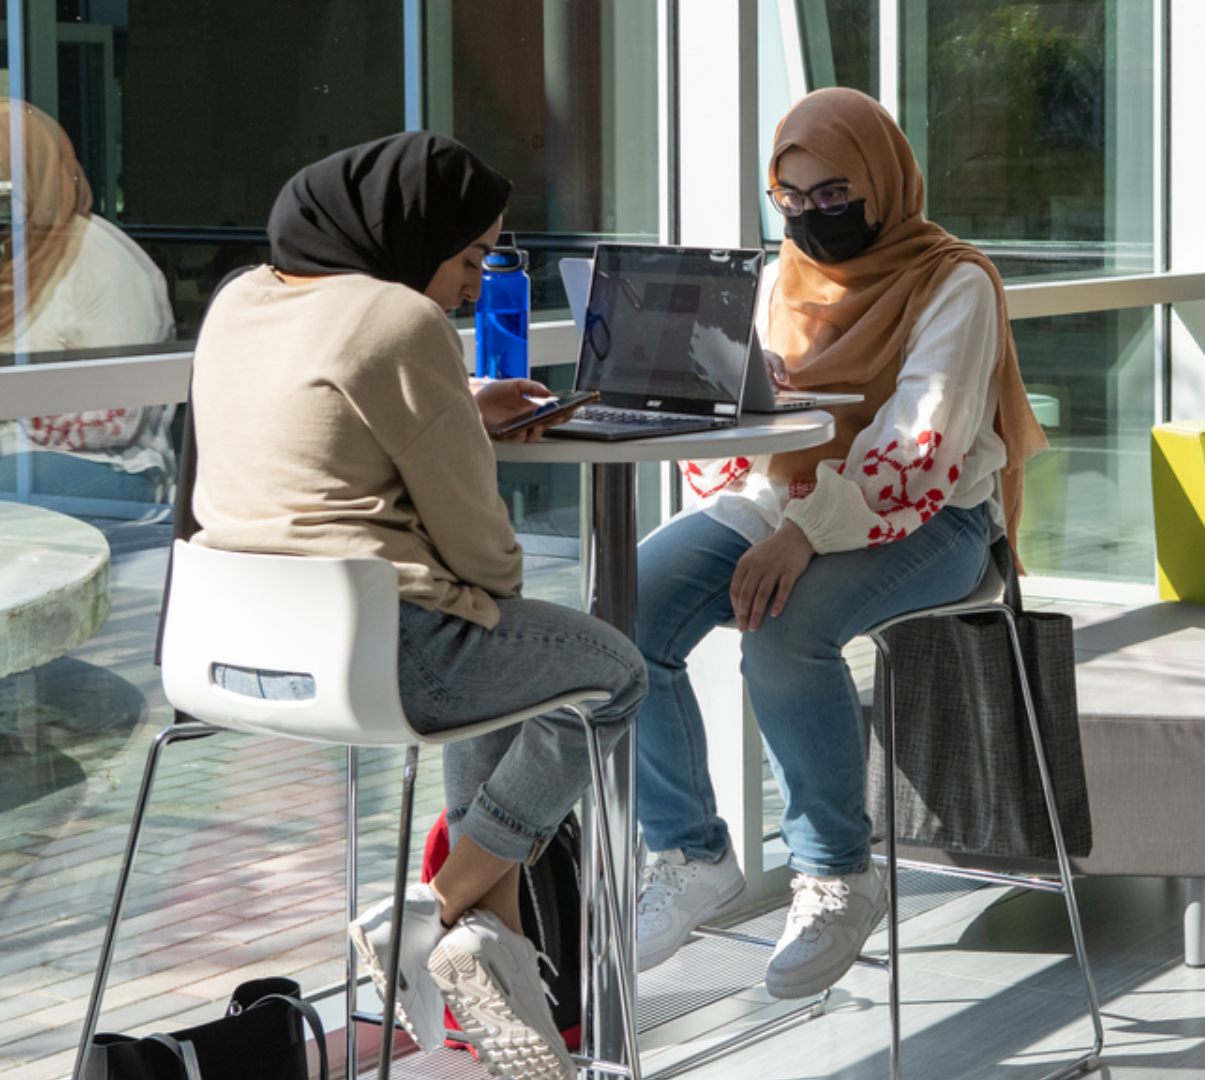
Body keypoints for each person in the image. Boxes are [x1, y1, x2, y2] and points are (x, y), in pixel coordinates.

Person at [187, 132, 645, 1080]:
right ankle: (437, 912)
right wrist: (455, 429)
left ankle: (496, 953)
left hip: (229, 648)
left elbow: (321, 413)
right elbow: (480, 544)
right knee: (607, 675)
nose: (477, 283)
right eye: (471, 255)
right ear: (415, 233)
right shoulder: (400, 321)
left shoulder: (241, 299)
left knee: (503, 654)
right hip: (389, 653)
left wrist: (452, 402)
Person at [622, 87, 1047, 999]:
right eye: (793, 198)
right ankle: (691, 853)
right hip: (784, 498)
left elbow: (918, 444)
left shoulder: (954, 281)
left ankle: (837, 874)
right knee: (623, 611)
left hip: (940, 518)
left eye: (833, 194)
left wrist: (801, 536)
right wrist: (748, 401)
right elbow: (750, 450)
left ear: (883, 181)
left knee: (785, 627)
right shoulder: (780, 278)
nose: (813, 218)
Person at [0, 100, 178, 505]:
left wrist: (19, 408)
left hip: (106, 464)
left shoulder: (102, 260)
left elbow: (122, 413)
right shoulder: (12, 257)